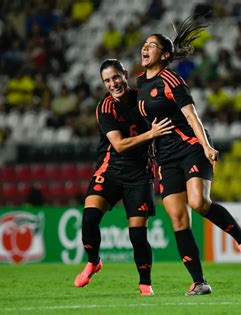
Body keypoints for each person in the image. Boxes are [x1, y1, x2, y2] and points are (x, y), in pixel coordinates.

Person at [136, 16, 241, 296]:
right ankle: (199, 281)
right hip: (165, 159)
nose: (145, 48)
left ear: (164, 55)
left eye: (151, 45)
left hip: (191, 146)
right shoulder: (141, 85)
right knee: (178, 218)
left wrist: (205, 146)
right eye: (144, 44)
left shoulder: (172, 80)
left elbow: (191, 115)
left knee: (198, 202)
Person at [73, 59, 173, 295]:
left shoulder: (143, 100)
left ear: (125, 75)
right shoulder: (106, 107)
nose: (113, 83)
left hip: (139, 175)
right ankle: (93, 261)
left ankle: (145, 283)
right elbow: (118, 145)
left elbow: (162, 124)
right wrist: (150, 134)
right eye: (107, 80)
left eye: (116, 77)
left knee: (137, 234)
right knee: (89, 219)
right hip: (110, 170)